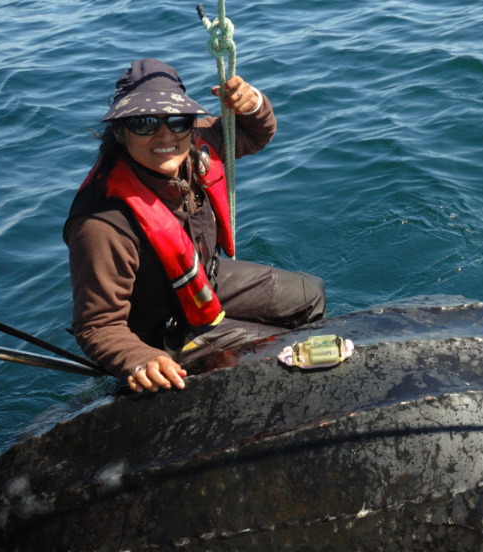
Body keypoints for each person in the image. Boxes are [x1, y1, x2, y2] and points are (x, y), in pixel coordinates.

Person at [64, 59, 325, 394]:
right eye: (144, 123)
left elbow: (254, 132)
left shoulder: (197, 142)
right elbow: (97, 325)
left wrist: (252, 103)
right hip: (164, 331)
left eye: (177, 119)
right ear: (120, 131)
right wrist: (139, 359)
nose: (165, 135)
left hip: (205, 282)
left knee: (310, 295)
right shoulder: (101, 224)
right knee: (278, 353)